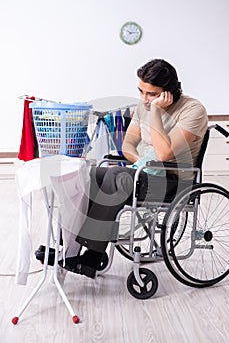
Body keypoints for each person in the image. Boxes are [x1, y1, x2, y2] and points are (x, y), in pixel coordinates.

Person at [37, 59, 208, 278]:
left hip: (174, 181)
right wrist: (141, 162)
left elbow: (165, 154)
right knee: (87, 174)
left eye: (151, 94)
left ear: (169, 91)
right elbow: (128, 145)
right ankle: (66, 246)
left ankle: (92, 255)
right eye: (141, 92)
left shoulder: (193, 110)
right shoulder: (142, 106)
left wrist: (155, 112)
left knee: (116, 175)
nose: (145, 99)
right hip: (144, 174)